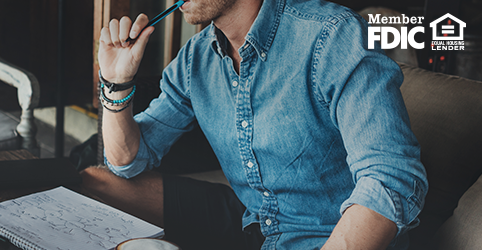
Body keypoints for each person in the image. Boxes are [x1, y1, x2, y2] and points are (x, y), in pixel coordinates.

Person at [82, 0, 428, 249]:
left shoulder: (333, 36)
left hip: (325, 233)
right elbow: (127, 161)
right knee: (97, 182)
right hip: (254, 220)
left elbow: (391, 178)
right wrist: (116, 84)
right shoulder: (195, 57)